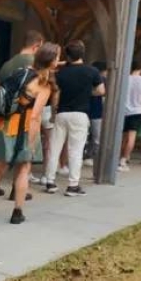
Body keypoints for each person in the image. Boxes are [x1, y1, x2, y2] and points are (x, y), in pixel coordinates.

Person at [0, 43, 59, 225]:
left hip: (6, 124)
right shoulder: (44, 84)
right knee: (23, 169)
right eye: (57, 57)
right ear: (50, 60)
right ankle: (17, 212)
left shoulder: (22, 71)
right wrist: (32, 142)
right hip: (25, 128)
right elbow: (35, 116)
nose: (58, 60)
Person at [42, 40, 104, 197]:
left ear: (67, 55)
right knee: (75, 151)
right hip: (81, 114)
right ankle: (72, 185)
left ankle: (50, 182)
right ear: (83, 53)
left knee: (53, 149)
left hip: (61, 113)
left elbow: (55, 90)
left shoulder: (61, 72)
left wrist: (63, 61)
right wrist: (87, 93)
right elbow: (101, 91)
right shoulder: (92, 71)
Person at [0, 31, 47, 185]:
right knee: (24, 162)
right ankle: (17, 191)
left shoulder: (7, 64)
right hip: (26, 117)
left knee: (1, 159)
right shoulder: (37, 66)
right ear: (36, 45)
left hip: (6, 115)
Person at [118, 60, 141, 171]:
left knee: (122, 137)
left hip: (122, 111)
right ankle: (124, 160)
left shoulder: (123, 79)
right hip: (137, 111)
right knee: (131, 137)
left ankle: (118, 158)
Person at [84, 61, 108, 167]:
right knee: (96, 137)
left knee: (85, 136)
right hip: (96, 111)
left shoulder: (86, 78)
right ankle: (93, 157)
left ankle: (85, 156)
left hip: (85, 110)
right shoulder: (102, 80)